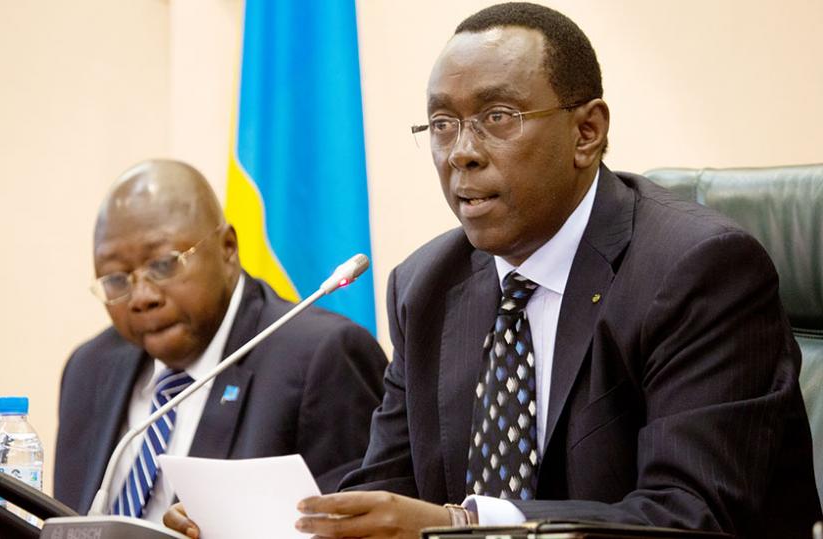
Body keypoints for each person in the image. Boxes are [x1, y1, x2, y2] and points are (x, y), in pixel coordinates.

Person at [166, 3, 822, 538]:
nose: (461, 154)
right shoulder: (426, 285)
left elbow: (694, 515)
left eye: (496, 118)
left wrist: (465, 524)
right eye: (443, 124)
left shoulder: (697, 271)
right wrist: (267, 524)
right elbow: (389, 489)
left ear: (587, 132)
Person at [54, 159, 387, 523]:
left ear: (228, 248)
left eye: (164, 265)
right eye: (116, 280)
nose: (141, 297)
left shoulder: (321, 357)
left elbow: (351, 528)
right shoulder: (89, 369)